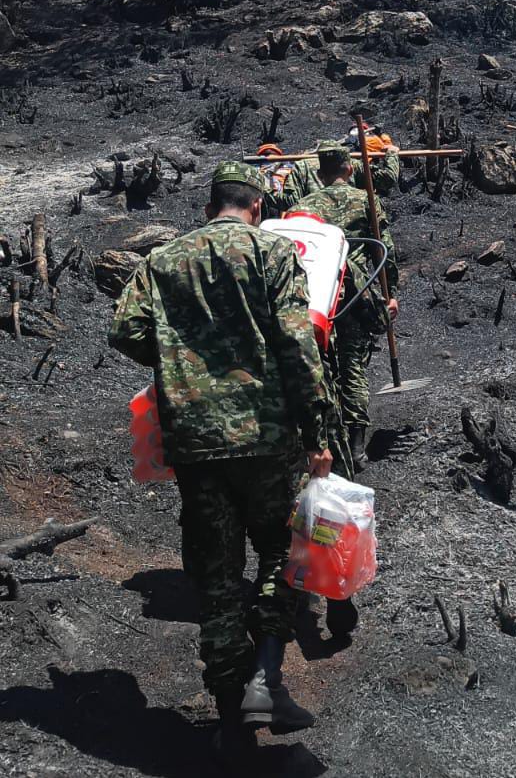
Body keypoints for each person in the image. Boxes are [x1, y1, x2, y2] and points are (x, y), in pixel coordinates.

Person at [108, 161, 335, 759]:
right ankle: (267, 675)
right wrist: (317, 428)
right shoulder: (272, 254)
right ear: (257, 208)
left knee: (215, 577)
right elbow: (296, 343)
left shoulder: (162, 261)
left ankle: (231, 719)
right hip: (264, 438)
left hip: (196, 443)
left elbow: (125, 330)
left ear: (211, 207)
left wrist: (183, 365)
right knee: (285, 556)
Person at [286, 140, 399, 476]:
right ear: (349, 169)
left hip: (319, 295)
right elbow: (385, 250)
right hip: (357, 293)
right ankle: (357, 443)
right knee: (352, 366)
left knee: (319, 366)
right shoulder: (366, 200)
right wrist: (390, 292)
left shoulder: (304, 206)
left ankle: (322, 440)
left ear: (319, 173)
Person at [279, 128, 400, 212]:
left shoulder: (302, 166)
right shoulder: (354, 165)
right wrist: (392, 155)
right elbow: (388, 178)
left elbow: (290, 201)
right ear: (349, 170)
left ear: (320, 174)